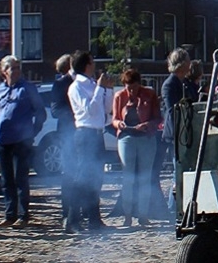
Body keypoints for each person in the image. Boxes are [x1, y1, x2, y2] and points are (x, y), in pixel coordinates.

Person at [0, 55, 46, 227]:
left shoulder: (28, 89)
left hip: (22, 140)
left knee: (20, 178)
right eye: (12, 68)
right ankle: (9, 215)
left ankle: (23, 215)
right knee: (6, 180)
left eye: (17, 68)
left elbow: (40, 112)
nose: (15, 71)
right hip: (3, 141)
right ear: (3, 71)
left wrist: (32, 132)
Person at [65, 51, 114, 233]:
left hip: (97, 134)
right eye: (92, 63)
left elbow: (106, 110)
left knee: (96, 178)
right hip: (85, 135)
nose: (94, 66)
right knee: (82, 179)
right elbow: (90, 110)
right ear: (86, 65)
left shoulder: (93, 85)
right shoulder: (76, 87)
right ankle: (72, 220)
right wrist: (101, 89)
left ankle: (95, 219)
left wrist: (107, 90)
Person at [112, 67, 160, 227]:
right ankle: (127, 215)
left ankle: (143, 214)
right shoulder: (119, 96)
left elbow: (157, 117)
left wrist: (147, 125)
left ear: (139, 84)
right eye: (128, 87)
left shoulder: (150, 95)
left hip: (145, 137)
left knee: (145, 178)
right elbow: (114, 118)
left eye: (134, 87)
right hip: (126, 138)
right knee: (128, 177)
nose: (131, 91)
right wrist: (120, 123)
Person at [160, 49, 192, 218]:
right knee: (177, 171)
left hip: (185, 133)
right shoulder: (170, 84)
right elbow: (172, 111)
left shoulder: (183, 83)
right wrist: (180, 132)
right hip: (176, 135)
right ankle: (173, 209)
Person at [51, 53, 77, 229]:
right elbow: (55, 110)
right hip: (68, 133)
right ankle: (66, 213)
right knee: (69, 175)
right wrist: (77, 116)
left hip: (84, 135)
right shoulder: (61, 84)